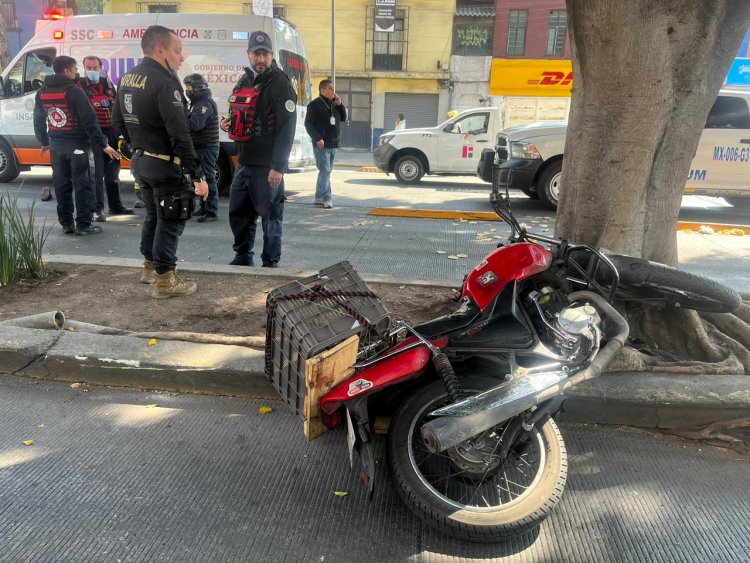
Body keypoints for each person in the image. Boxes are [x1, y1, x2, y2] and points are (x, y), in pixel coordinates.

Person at [112, 25, 208, 299]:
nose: (181, 58)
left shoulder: (128, 77)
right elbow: (180, 132)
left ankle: (150, 268)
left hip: (142, 162)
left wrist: (139, 146)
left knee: (154, 216)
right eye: (177, 51)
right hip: (165, 164)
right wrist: (198, 176)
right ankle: (165, 281)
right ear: (159, 50)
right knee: (171, 219)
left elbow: (118, 121)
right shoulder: (165, 81)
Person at [220, 30, 297, 268]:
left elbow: (287, 129)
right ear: (249, 55)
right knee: (239, 214)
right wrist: (228, 122)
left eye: (265, 54)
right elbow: (237, 111)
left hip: (267, 167)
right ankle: (243, 256)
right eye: (256, 54)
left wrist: (278, 167)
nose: (260, 59)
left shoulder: (281, 83)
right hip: (244, 163)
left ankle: (270, 262)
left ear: (272, 55)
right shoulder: (244, 80)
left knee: (271, 217)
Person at [33, 55, 120, 236]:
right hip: (78, 145)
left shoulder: (42, 92)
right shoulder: (74, 91)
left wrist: (43, 142)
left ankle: (66, 224)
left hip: (56, 146)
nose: (77, 73)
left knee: (61, 185)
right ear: (66, 71)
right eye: (75, 70)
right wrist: (104, 144)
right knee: (83, 185)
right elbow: (90, 121)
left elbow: (39, 119)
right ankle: (83, 224)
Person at [79, 55, 134, 222]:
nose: (92, 71)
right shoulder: (79, 86)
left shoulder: (109, 84)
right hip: (94, 135)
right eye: (89, 67)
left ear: (101, 67)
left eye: (95, 67)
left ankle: (115, 205)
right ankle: (97, 210)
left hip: (112, 132)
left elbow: (119, 107)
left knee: (113, 173)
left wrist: (123, 133)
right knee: (97, 174)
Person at [304, 79, 346, 209]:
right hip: (321, 144)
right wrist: (317, 138)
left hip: (334, 143)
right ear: (322, 90)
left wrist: (340, 105)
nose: (333, 91)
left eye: (333, 89)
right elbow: (308, 124)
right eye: (330, 89)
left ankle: (318, 197)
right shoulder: (314, 104)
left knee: (325, 172)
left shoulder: (334, 104)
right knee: (326, 171)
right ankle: (327, 198)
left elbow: (344, 118)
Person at [184, 73, 220, 222]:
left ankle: (212, 212)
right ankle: (204, 207)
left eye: (189, 87)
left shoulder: (204, 104)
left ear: (197, 89)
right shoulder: (195, 102)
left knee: (209, 178)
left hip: (206, 147)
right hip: (200, 146)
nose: (187, 90)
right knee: (200, 178)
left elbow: (195, 125)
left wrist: (180, 120)